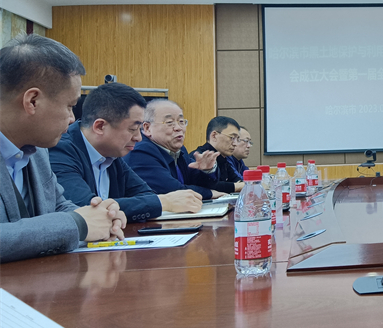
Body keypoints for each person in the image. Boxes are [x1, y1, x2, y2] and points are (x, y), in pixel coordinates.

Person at [0, 34, 125, 263]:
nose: (72, 118)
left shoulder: (37, 149)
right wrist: (77, 224)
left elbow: (57, 205)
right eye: (70, 106)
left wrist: (100, 215)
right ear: (32, 101)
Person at [50, 83, 203, 222]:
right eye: (133, 129)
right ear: (100, 126)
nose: (138, 137)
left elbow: (145, 194)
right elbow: (85, 208)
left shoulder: (112, 154)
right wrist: (164, 202)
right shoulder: (60, 150)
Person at [124, 99, 223, 200]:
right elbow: (172, 191)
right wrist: (210, 193)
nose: (178, 128)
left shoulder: (180, 150)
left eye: (181, 121)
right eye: (169, 122)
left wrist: (207, 170)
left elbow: (198, 183)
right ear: (147, 128)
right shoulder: (140, 152)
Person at [193, 116, 245, 194]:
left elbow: (237, 180)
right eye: (232, 137)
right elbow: (207, 187)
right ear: (214, 136)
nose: (235, 144)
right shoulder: (199, 157)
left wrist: (240, 185)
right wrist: (238, 186)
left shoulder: (223, 158)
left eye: (237, 139)